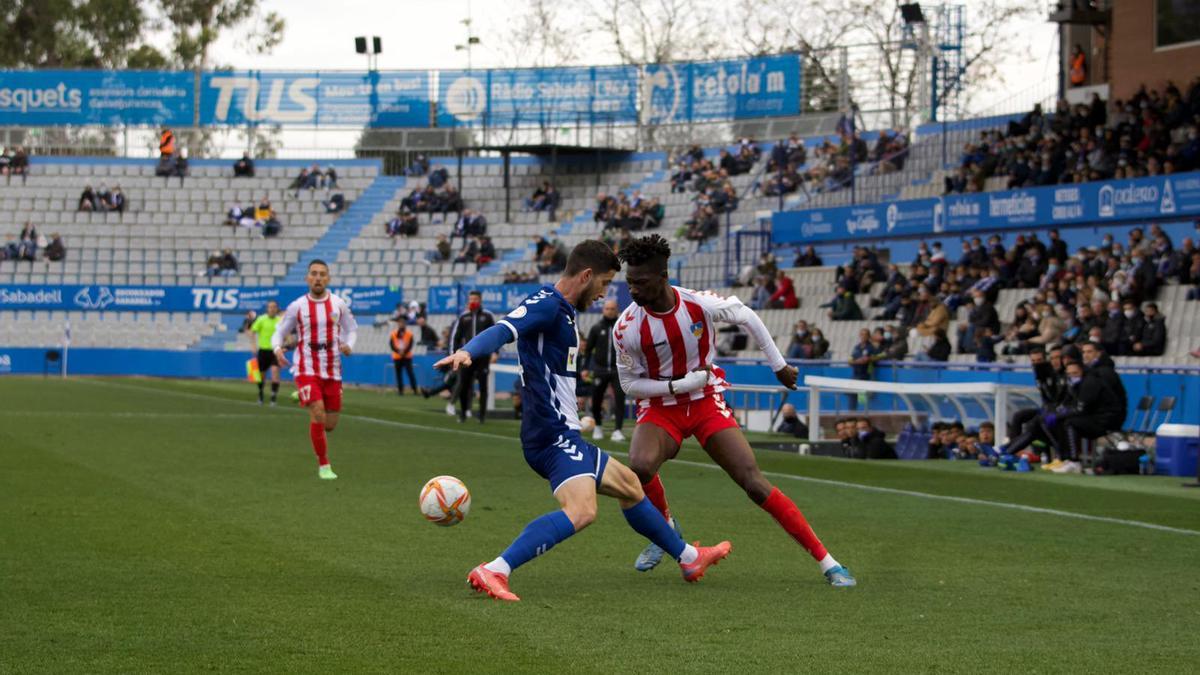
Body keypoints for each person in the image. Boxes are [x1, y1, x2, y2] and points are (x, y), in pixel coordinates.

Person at [436, 240, 731, 602]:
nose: (604, 294)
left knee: (630, 486)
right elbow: (505, 328)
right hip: (550, 435)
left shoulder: (564, 311)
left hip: (564, 433)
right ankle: (495, 569)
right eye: (604, 284)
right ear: (587, 275)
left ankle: (688, 558)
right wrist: (468, 351)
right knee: (582, 511)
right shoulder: (547, 304)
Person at [613, 234, 855, 587]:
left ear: (663, 276)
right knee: (640, 466)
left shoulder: (698, 304)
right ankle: (664, 530)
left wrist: (779, 365)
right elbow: (629, 386)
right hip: (661, 406)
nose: (632, 290)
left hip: (706, 401)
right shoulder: (626, 328)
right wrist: (677, 386)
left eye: (640, 282)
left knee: (754, 484)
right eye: (629, 282)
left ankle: (829, 563)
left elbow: (747, 316)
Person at [271, 260, 358, 480]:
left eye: (322, 274)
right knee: (317, 413)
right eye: (314, 274)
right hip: (306, 365)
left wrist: (349, 345)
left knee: (330, 425)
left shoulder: (338, 304)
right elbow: (280, 332)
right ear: (307, 278)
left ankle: (302, 393)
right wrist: (277, 348)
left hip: (332, 369)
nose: (318, 278)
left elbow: (352, 329)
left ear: (328, 278)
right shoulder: (297, 306)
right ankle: (324, 465)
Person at [581, 299, 626, 442]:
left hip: (617, 370)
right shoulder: (596, 328)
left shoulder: (623, 328)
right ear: (603, 310)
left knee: (619, 399)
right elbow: (588, 351)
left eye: (612, 308)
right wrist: (585, 368)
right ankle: (598, 427)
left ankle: (618, 430)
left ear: (617, 310)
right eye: (607, 308)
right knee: (596, 399)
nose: (610, 311)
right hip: (599, 370)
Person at [448, 291, 496, 423]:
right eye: (471, 299)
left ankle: (481, 415)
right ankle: (463, 413)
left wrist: (495, 352)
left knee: (483, 386)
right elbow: (455, 337)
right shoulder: (464, 317)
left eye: (475, 298)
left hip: (483, 357)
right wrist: (454, 355)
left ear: (480, 300)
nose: (473, 301)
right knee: (464, 385)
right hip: (466, 357)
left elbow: (496, 334)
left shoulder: (487, 316)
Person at [248, 301, 283, 406]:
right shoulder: (261, 319)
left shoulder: (280, 321)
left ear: (277, 309)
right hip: (263, 351)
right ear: (267, 309)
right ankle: (261, 394)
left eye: (274, 307)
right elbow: (252, 332)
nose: (272, 309)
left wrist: (287, 342)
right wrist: (253, 345)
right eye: (270, 307)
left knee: (275, 371)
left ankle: (273, 397)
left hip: (275, 351)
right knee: (262, 375)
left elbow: (286, 334)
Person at [390, 316, 417, 395]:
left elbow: (410, 345)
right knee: (398, 374)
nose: (401, 324)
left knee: (410, 373)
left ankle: (414, 389)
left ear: (405, 324)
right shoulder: (393, 334)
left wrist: (404, 352)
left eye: (402, 323)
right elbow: (392, 345)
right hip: (397, 357)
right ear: (398, 324)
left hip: (407, 357)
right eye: (400, 323)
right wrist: (398, 351)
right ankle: (400, 390)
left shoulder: (409, 334)